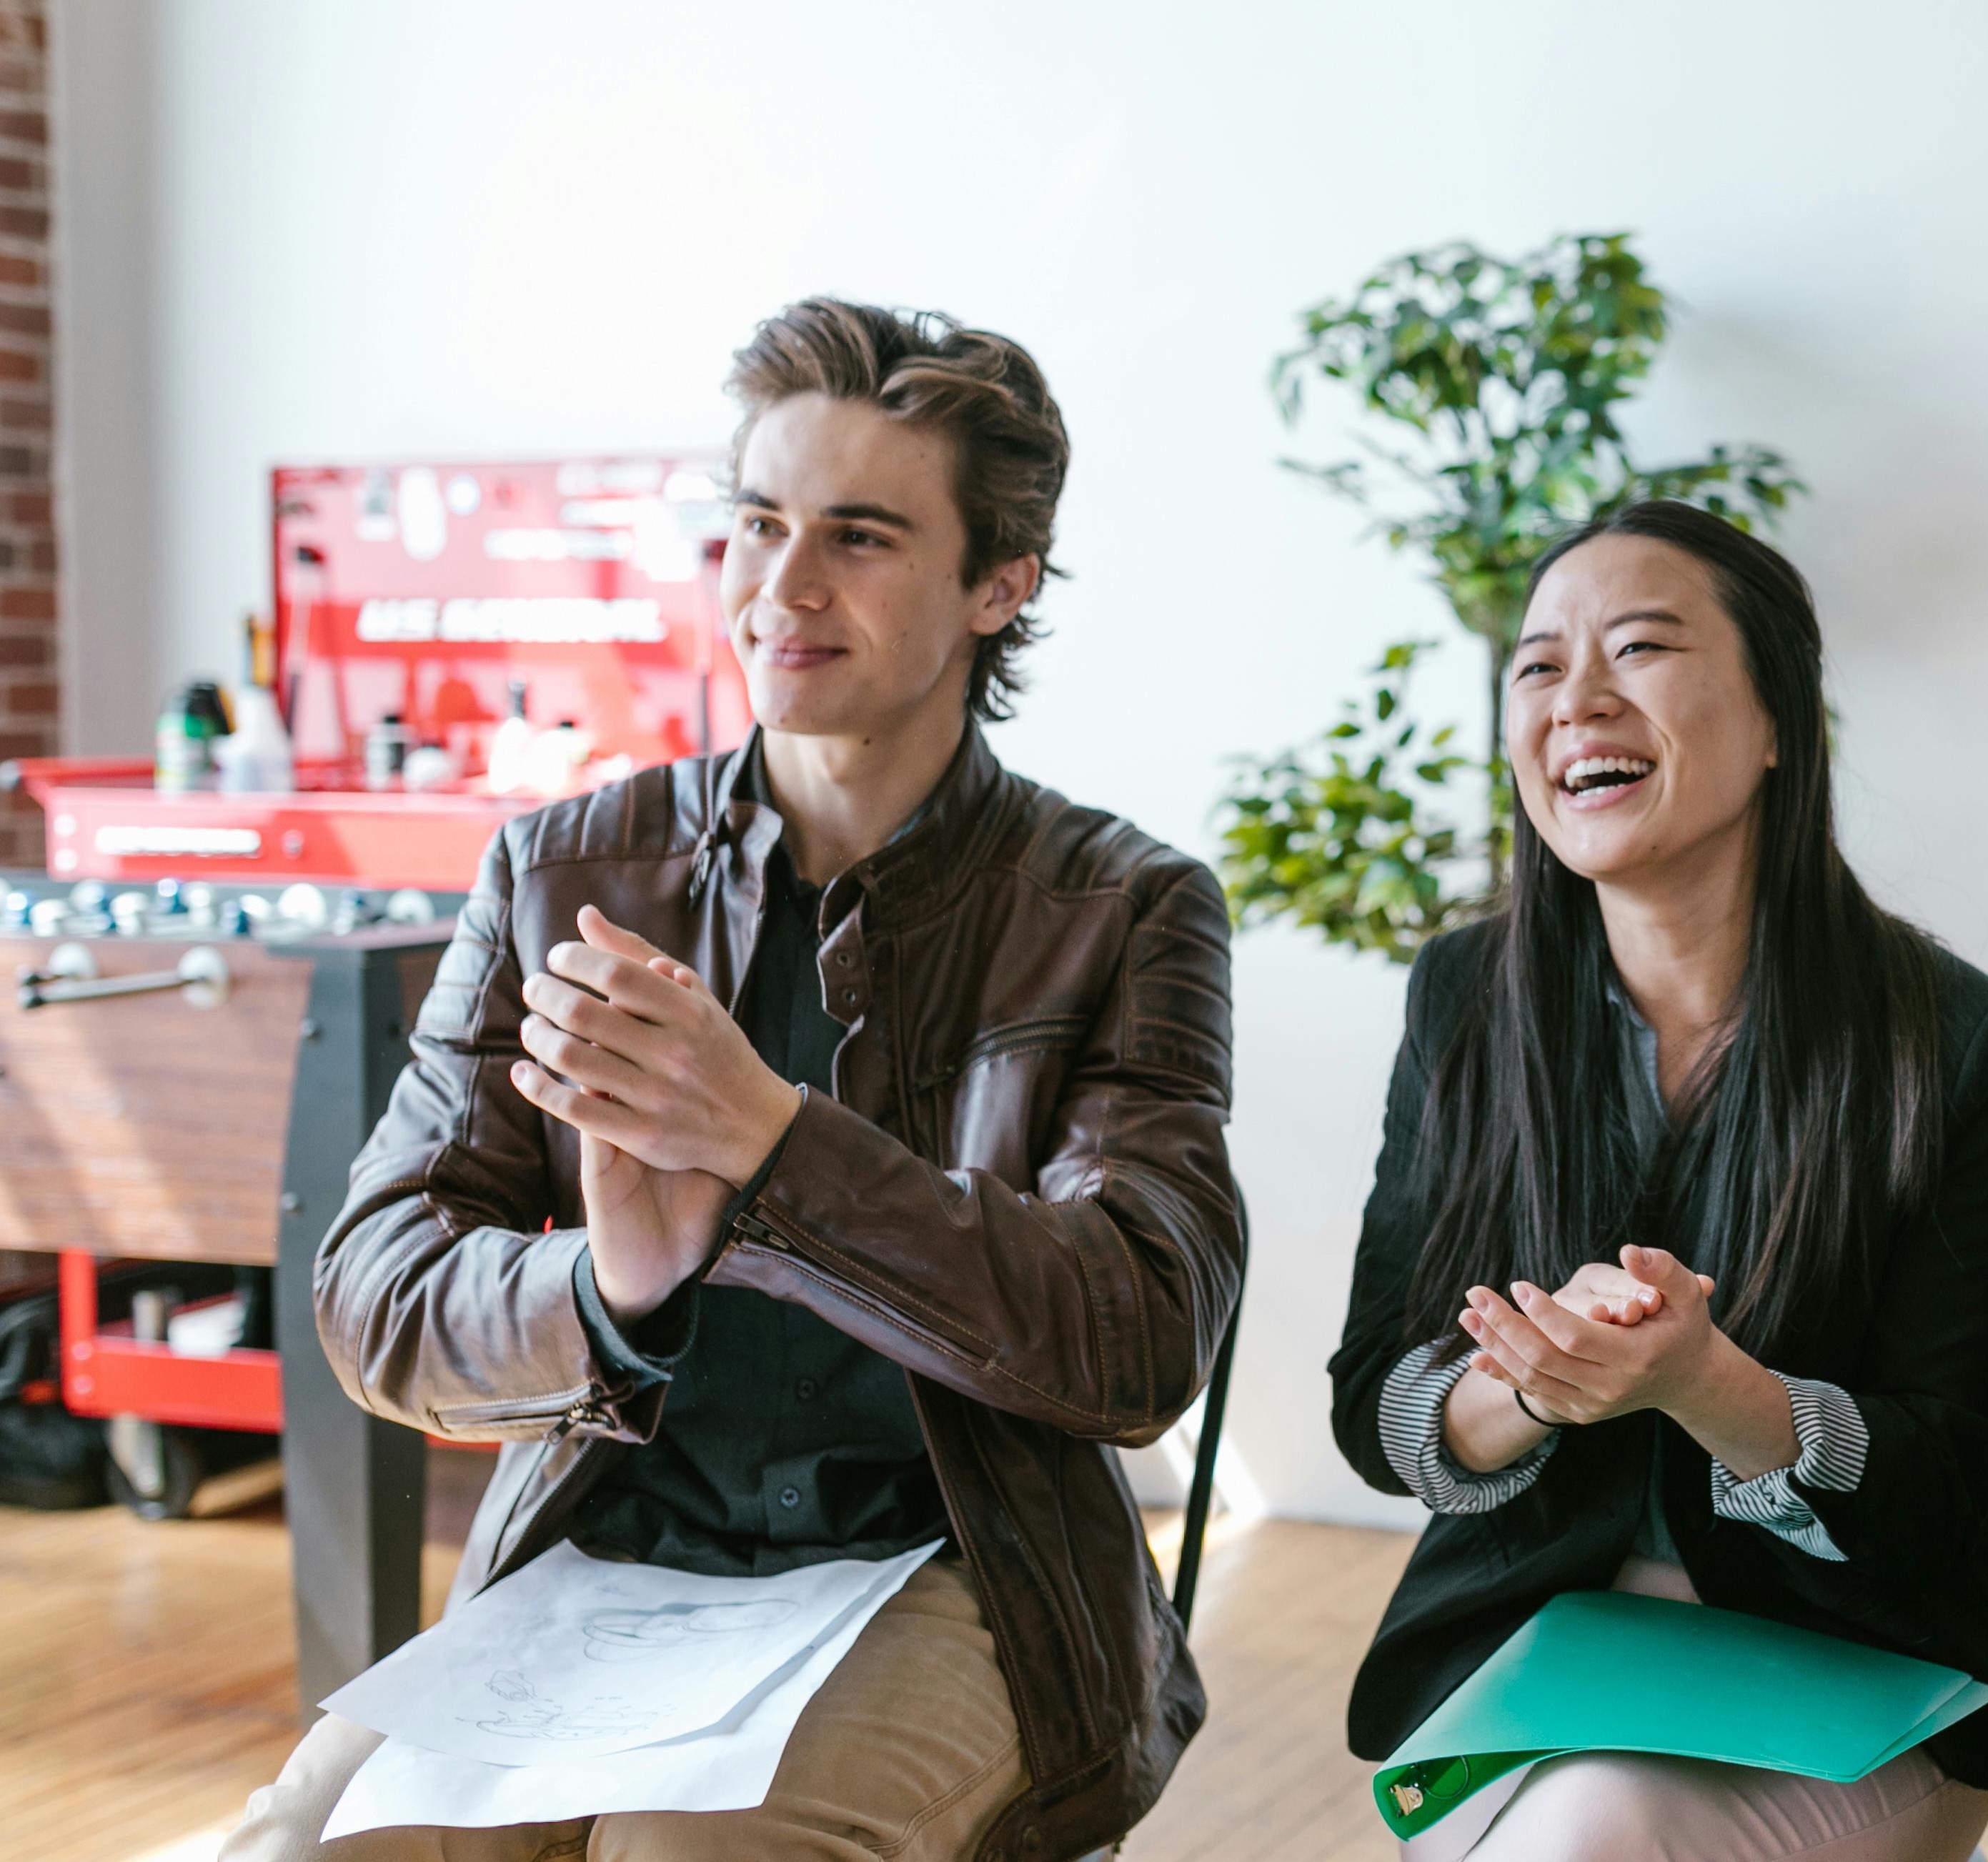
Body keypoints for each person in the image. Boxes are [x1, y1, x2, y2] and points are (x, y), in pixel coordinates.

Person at [225, 298, 1244, 1862]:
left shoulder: (1122, 904)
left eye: (860, 536)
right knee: (301, 1844)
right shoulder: (562, 868)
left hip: (955, 1568)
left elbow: (1140, 1333)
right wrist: (609, 1286)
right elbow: (374, 1291)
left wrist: (775, 1144)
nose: (783, 585)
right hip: (606, 1557)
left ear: (1001, 583)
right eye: (760, 523)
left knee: (682, 1853)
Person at [1328, 500, 1988, 1861]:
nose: (1576, 700)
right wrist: (1524, 1389)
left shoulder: (1954, 1035)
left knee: (1588, 1840)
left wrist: (1707, 1383)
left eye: (1639, 648)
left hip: (1861, 1664)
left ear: (1779, 717)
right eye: (1538, 665)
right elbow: (1373, 1398)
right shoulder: (1463, 998)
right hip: (1532, 1651)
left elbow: (1938, 1468)